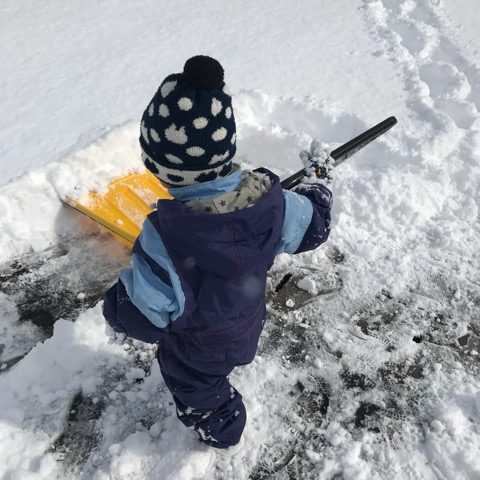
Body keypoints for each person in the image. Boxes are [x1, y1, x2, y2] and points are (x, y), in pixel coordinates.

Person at [103, 55, 333, 449]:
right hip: (247, 322)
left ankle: (221, 426)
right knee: (211, 365)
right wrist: (316, 188)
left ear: (161, 169)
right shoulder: (271, 205)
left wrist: (116, 305)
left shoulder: (165, 241)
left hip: (197, 347)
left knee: (194, 386)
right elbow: (314, 226)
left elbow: (143, 316)